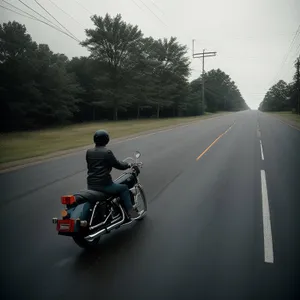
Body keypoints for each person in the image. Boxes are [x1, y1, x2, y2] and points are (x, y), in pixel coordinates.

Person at [86, 129, 139, 219]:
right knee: (124, 188)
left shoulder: (89, 152)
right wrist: (128, 164)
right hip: (104, 185)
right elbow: (118, 165)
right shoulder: (107, 152)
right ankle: (131, 213)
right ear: (107, 140)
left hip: (91, 185)